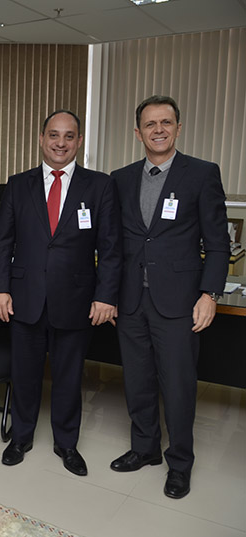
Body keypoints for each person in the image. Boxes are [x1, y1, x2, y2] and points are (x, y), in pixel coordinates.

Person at [0, 110, 122, 476]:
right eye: (53, 135)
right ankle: (21, 437)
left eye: (68, 136)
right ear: (41, 138)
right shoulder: (18, 184)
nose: (60, 143)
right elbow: (2, 242)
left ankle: (67, 443)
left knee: (68, 376)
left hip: (76, 300)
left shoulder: (99, 185)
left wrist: (106, 296)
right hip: (25, 297)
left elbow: (111, 247)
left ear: (79, 141)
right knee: (25, 373)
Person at [109, 95, 229, 498]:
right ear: (138, 132)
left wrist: (210, 292)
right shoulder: (121, 178)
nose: (158, 129)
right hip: (131, 301)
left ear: (178, 128)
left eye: (166, 122)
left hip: (178, 303)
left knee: (178, 388)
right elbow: (115, 244)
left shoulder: (201, 174)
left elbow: (217, 244)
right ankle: (144, 449)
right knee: (137, 382)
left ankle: (180, 463)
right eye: (150, 123)